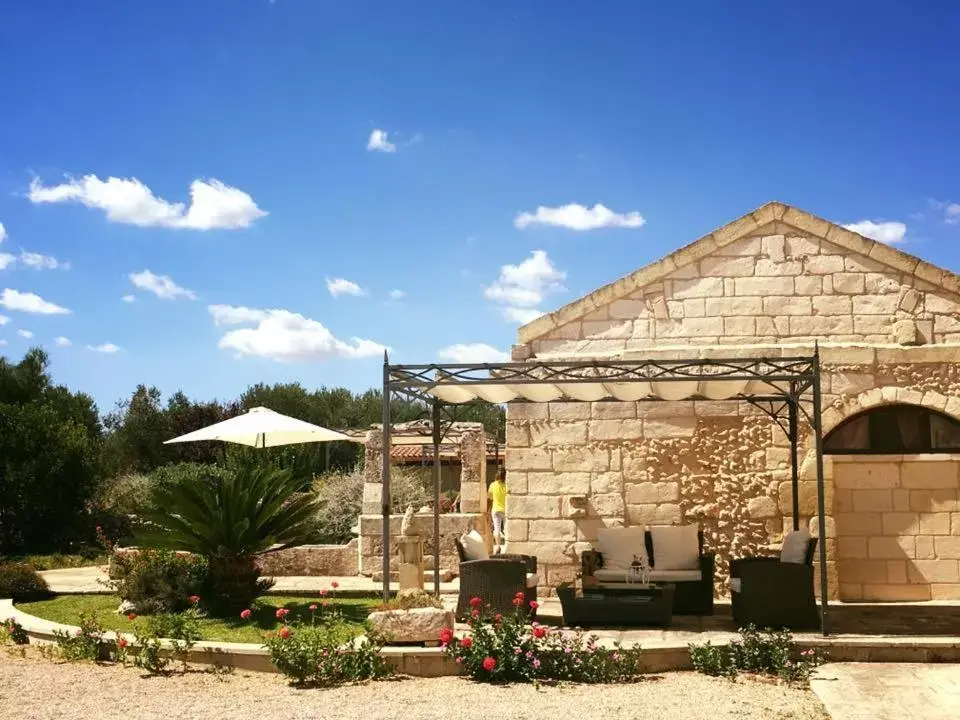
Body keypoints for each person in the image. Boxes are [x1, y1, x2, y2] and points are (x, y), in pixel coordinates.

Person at [488, 468, 508, 549]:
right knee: (507, 528)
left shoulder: (492, 485)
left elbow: (490, 497)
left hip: (495, 509)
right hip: (506, 510)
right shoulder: (507, 485)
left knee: (497, 529)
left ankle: (498, 546)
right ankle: (507, 545)